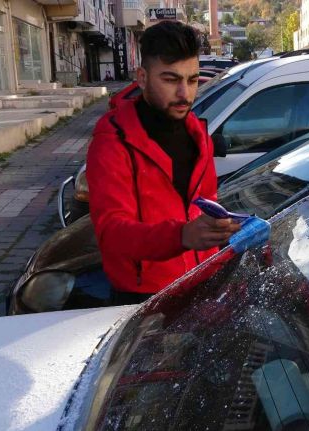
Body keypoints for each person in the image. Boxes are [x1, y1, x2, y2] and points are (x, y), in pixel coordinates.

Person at [86, 21, 240, 305]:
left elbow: (206, 205)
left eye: (193, 80)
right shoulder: (113, 141)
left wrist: (226, 233)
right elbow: (111, 232)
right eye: (171, 80)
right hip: (142, 298)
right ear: (142, 78)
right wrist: (181, 235)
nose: (185, 94)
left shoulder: (198, 133)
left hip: (200, 283)